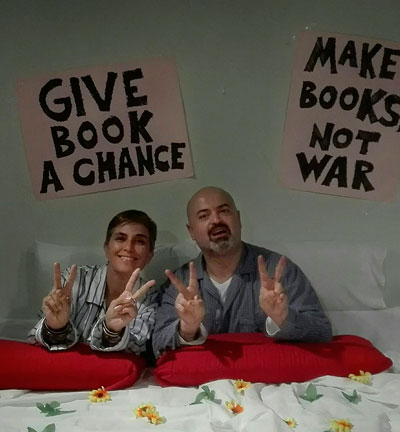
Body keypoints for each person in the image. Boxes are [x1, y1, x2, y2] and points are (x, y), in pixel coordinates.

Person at [152, 186, 332, 356]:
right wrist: (187, 329)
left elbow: (322, 331)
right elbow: (157, 345)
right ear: (191, 231)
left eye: (224, 211)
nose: (216, 220)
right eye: (204, 216)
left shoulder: (278, 270)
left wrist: (283, 318)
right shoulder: (178, 282)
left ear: (238, 219)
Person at [28, 209, 158, 354]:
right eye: (121, 239)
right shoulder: (74, 280)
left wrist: (112, 330)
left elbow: (135, 350)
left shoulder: (151, 299)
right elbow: (35, 340)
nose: (128, 248)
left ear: (150, 255)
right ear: (106, 248)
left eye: (140, 241)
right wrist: (56, 327)